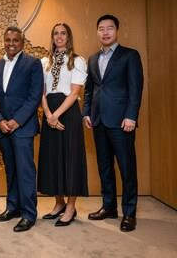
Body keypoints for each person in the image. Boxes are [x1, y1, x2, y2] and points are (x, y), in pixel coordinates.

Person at [83, 14, 143, 232]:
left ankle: (129, 212)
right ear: (97, 32)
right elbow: (89, 89)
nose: (105, 32)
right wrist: (86, 113)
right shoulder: (92, 59)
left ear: (117, 31)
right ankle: (109, 207)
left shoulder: (130, 56)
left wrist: (131, 116)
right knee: (104, 167)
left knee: (127, 168)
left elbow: (136, 89)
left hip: (121, 121)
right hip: (98, 121)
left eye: (109, 28)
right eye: (101, 28)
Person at [0, 26, 43, 232]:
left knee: (25, 170)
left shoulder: (33, 63)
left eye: (15, 41)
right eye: (8, 40)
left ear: (22, 43)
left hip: (23, 127)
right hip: (3, 127)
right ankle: (13, 207)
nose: (11, 44)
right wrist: (0, 120)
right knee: (11, 170)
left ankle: (29, 213)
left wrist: (16, 121)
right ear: (4, 41)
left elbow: (34, 96)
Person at [37, 23, 88, 227]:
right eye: (56, 33)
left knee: (71, 158)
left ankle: (70, 207)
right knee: (53, 159)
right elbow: (40, 91)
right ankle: (58, 203)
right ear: (52, 37)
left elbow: (75, 92)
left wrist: (56, 114)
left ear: (69, 36)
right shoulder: (43, 62)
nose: (59, 36)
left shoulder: (77, 60)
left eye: (63, 33)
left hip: (68, 113)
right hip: (49, 111)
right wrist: (48, 114)